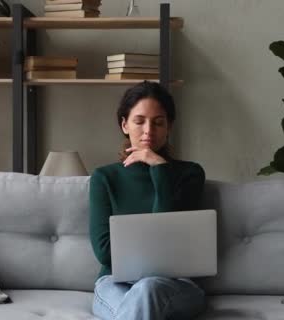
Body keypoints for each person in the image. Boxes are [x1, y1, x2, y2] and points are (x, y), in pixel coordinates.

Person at [89, 81, 207, 320]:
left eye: (158, 122)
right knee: (140, 296)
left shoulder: (190, 174)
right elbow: (105, 253)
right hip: (115, 282)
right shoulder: (104, 177)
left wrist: (160, 169)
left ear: (169, 127)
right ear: (124, 124)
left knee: (147, 288)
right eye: (139, 121)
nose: (148, 131)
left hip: (175, 284)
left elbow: (171, 236)